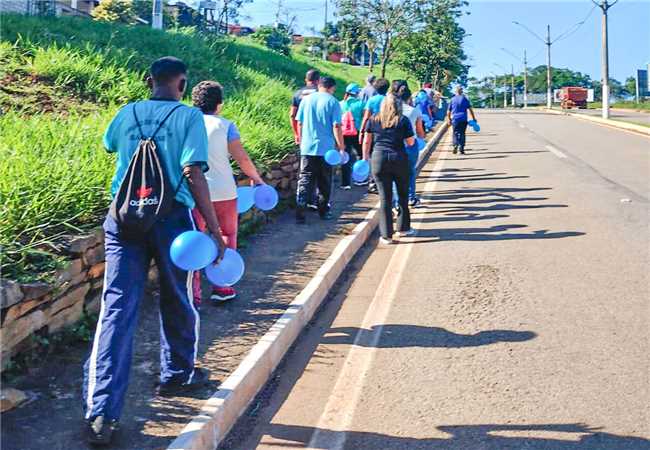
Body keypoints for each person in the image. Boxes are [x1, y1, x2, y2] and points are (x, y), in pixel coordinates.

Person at [82, 57, 227, 446]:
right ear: (183, 83)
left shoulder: (127, 112)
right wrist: (214, 231)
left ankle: (102, 412)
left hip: (124, 217)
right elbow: (193, 172)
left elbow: (110, 144)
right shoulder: (188, 117)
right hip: (171, 218)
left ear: (149, 81)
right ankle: (178, 374)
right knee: (178, 296)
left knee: (117, 307)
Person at [190, 80, 265, 303]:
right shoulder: (226, 126)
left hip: (194, 192)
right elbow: (241, 158)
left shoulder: (186, 125)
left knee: (195, 239)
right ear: (219, 104)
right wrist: (257, 179)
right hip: (223, 191)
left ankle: (193, 292)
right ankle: (222, 286)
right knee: (226, 235)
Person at [362, 93, 415, 244]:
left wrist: (365, 158)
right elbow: (410, 142)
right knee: (403, 195)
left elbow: (367, 141)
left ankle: (386, 235)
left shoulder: (373, 119)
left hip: (379, 159)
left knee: (385, 198)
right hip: (399, 158)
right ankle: (403, 228)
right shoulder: (403, 120)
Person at [295, 76, 344, 223]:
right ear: (332, 87)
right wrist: (341, 146)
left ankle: (300, 208)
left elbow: (300, 123)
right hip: (326, 150)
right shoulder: (333, 102)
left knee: (305, 178)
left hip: (307, 147)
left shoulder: (306, 100)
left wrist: (302, 140)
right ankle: (323, 211)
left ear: (319, 85)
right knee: (324, 180)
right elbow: (336, 126)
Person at [290, 69, 320, 210]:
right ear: (318, 80)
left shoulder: (297, 94)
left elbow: (292, 115)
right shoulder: (321, 94)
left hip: (303, 137)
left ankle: (301, 200)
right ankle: (314, 200)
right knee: (319, 172)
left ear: (305, 79)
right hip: (319, 137)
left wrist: (296, 134)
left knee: (304, 171)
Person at [393, 80, 426, 207]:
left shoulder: (391, 110)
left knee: (396, 174)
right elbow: (420, 132)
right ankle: (411, 197)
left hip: (394, 144)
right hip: (410, 145)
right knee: (410, 172)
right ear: (409, 97)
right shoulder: (414, 111)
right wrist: (422, 137)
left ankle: (397, 201)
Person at [359, 77, 389, 193]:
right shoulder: (388, 100)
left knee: (372, 156)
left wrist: (362, 131)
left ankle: (373, 182)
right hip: (386, 129)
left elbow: (366, 117)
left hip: (372, 129)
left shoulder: (372, 100)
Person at [339, 83, 365, 189]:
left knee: (345, 157)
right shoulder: (361, 104)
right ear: (356, 93)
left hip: (343, 133)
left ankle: (345, 183)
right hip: (357, 132)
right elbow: (364, 118)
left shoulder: (340, 104)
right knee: (360, 154)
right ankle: (359, 179)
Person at [447, 85, 477, 155]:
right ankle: (461, 148)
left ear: (456, 91)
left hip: (455, 119)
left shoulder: (452, 99)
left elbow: (448, 111)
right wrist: (474, 118)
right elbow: (470, 109)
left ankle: (455, 145)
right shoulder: (465, 99)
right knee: (462, 133)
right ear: (462, 91)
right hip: (463, 119)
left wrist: (448, 119)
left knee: (455, 133)